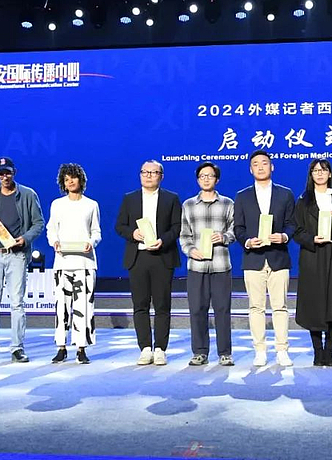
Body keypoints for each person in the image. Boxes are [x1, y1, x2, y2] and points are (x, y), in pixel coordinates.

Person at [0, 156, 44, 363]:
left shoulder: (28, 194)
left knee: (17, 303)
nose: (5, 176)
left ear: (14, 172)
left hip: (17, 255)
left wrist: (24, 238)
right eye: (1, 173)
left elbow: (38, 223)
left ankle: (17, 348)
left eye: (8, 172)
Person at [115, 160, 181, 366]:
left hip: (162, 257)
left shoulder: (171, 198)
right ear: (140, 175)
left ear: (161, 176)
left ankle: (160, 348)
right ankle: (145, 348)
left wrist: (163, 240)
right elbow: (120, 226)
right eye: (145, 172)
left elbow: (177, 227)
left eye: (154, 172)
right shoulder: (130, 198)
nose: (149, 175)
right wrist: (133, 234)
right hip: (138, 258)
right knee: (140, 305)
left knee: (162, 305)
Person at [234, 150, 296, 367]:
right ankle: (260, 350)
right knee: (256, 307)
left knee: (280, 307)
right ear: (251, 169)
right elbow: (238, 228)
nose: (260, 167)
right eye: (256, 164)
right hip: (253, 258)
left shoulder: (285, 194)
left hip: (278, 257)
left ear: (272, 167)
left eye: (264, 163)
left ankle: (282, 350)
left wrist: (284, 236)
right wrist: (248, 242)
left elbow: (292, 223)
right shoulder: (242, 196)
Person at [293, 159, 332, 367]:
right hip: (312, 255)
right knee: (313, 304)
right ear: (311, 175)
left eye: (323, 170)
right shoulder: (303, 200)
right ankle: (318, 351)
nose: (319, 173)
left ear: (330, 174)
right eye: (315, 170)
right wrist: (311, 239)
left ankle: (329, 351)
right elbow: (296, 231)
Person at [179, 162, 236, 367]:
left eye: (210, 176)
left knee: (222, 309)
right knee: (197, 310)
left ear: (216, 179)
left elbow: (234, 231)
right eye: (202, 176)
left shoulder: (228, 203)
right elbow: (184, 235)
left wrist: (223, 237)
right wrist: (190, 250)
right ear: (197, 180)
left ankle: (225, 353)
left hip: (221, 265)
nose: (206, 179)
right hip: (197, 266)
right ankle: (200, 352)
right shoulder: (188, 205)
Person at [46, 163, 101, 365]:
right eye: (66, 179)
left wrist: (91, 243)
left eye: (73, 178)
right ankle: (61, 347)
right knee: (61, 306)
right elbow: (51, 229)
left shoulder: (91, 205)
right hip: (62, 262)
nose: (70, 182)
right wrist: (54, 242)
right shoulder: (57, 204)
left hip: (85, 263)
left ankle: (81, 348)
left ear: (81, 180)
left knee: (84, 306)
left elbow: (96, 231)